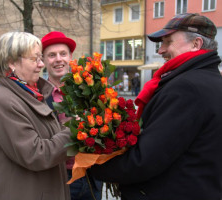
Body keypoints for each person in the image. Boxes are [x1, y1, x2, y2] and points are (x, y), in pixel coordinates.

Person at [91, 13, 222, 200]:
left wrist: (94, 165)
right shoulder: (211, 81)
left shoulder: (187, 88)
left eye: (168, 42)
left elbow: (146, 159)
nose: (161, 50)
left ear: (196, 44)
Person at [0, 32, 72, 200]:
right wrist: (75, 130)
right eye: (34, 59)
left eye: (40, 58)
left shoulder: (31, 93)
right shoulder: (3, 101)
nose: (41, 64)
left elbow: (53, 135)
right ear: (11, 62)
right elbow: (36, 154)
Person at [41, 31, 103, 200]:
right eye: (51, 55)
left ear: (71, 57)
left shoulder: (89, 88)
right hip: (60, 178)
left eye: (63, 54)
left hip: (91, 176)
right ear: (44, 60)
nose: (58, 59)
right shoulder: (36, 97)